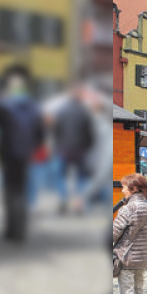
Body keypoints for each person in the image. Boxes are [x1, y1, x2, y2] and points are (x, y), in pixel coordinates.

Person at [0, 65, 44, 242]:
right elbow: (40, 134)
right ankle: (20, 230)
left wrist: (0, 99)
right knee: (21, 191)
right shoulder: (33, 107)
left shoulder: (4, 105)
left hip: (8, 154)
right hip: (25, 154)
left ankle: (12, 230)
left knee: (10, 191)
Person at [50, 84, 96, 215]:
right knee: (81, 176)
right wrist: (88, 147)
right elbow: (90, 133)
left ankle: (63, 197)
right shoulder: (84, 112)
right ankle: (79, 201)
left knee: (59, 175)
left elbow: (56, 130)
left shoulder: (62, 111)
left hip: (63, 148)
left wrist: (58, 145)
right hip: (80, 150)